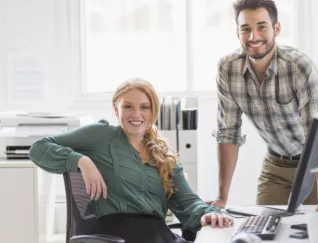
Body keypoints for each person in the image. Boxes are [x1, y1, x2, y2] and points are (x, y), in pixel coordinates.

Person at [29, 78, 233, 243]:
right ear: (115, 109)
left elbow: (188, 202)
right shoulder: (100, 135)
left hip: (158, 234)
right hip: (116, 235)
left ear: (153, 111)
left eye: (144, 107)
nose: (136, 114)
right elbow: (39, 148)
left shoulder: (163, 154)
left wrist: (210, 214)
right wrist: (81, 161)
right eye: (128, 106)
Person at [210, 0, 318, 213]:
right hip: (276, 162)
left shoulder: (299, 67)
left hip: (315, 159)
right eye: (246, 29)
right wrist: (222, 198)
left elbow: (317, 135)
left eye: (261, 26)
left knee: (312, 226)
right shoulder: (227, 69)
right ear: (238, 32)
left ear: (276, 29)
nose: (253, 37)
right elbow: (228, 133)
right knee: (262, 225)